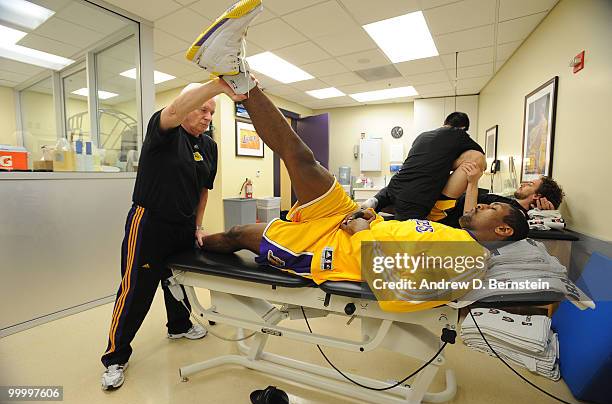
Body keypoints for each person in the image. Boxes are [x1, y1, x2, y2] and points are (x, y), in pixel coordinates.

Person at [184, 0, 529, 309]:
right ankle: (234, 71)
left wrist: (363, 231)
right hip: (354, 218)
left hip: (334, 250)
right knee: (303, 160)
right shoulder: (457, 235)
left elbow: (398, 293)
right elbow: (416, 232)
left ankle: (193, 244)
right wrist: (372, 215)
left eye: (493, 208)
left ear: (502, 231)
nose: (484, 205)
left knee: (238, 233)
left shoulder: (469, 262)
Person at [100, 79, 246, 390]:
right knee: (136, 290)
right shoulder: (164, 131)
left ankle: (178, 325)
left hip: (183, 226)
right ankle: (115, 356)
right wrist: (219, 85)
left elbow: (203, 191)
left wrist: (197, 225)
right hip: (149, 223)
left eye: (212, 113)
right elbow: (176, 109)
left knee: (177, 279)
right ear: (186, 106)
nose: (208, 117)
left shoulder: (209, 147)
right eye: (203, 109)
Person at [362, 112, 486, 221]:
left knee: (389, 198)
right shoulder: (459, 134)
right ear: (463, 128)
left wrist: (445, 164)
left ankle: (376, 200)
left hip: (394, 185)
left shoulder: (422, 135)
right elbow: (482, 161)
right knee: (404, 233)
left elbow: (423, 162)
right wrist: (452, 165)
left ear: (444, 123)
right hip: (414, 197)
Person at [432, 175, 564, 228]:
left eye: (530, 184)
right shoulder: (511, 202)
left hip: (443, 216)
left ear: (537, 196)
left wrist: (473, 182)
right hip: (445, 205)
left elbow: (470, 219)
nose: (523, 184)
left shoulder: (512, 213)